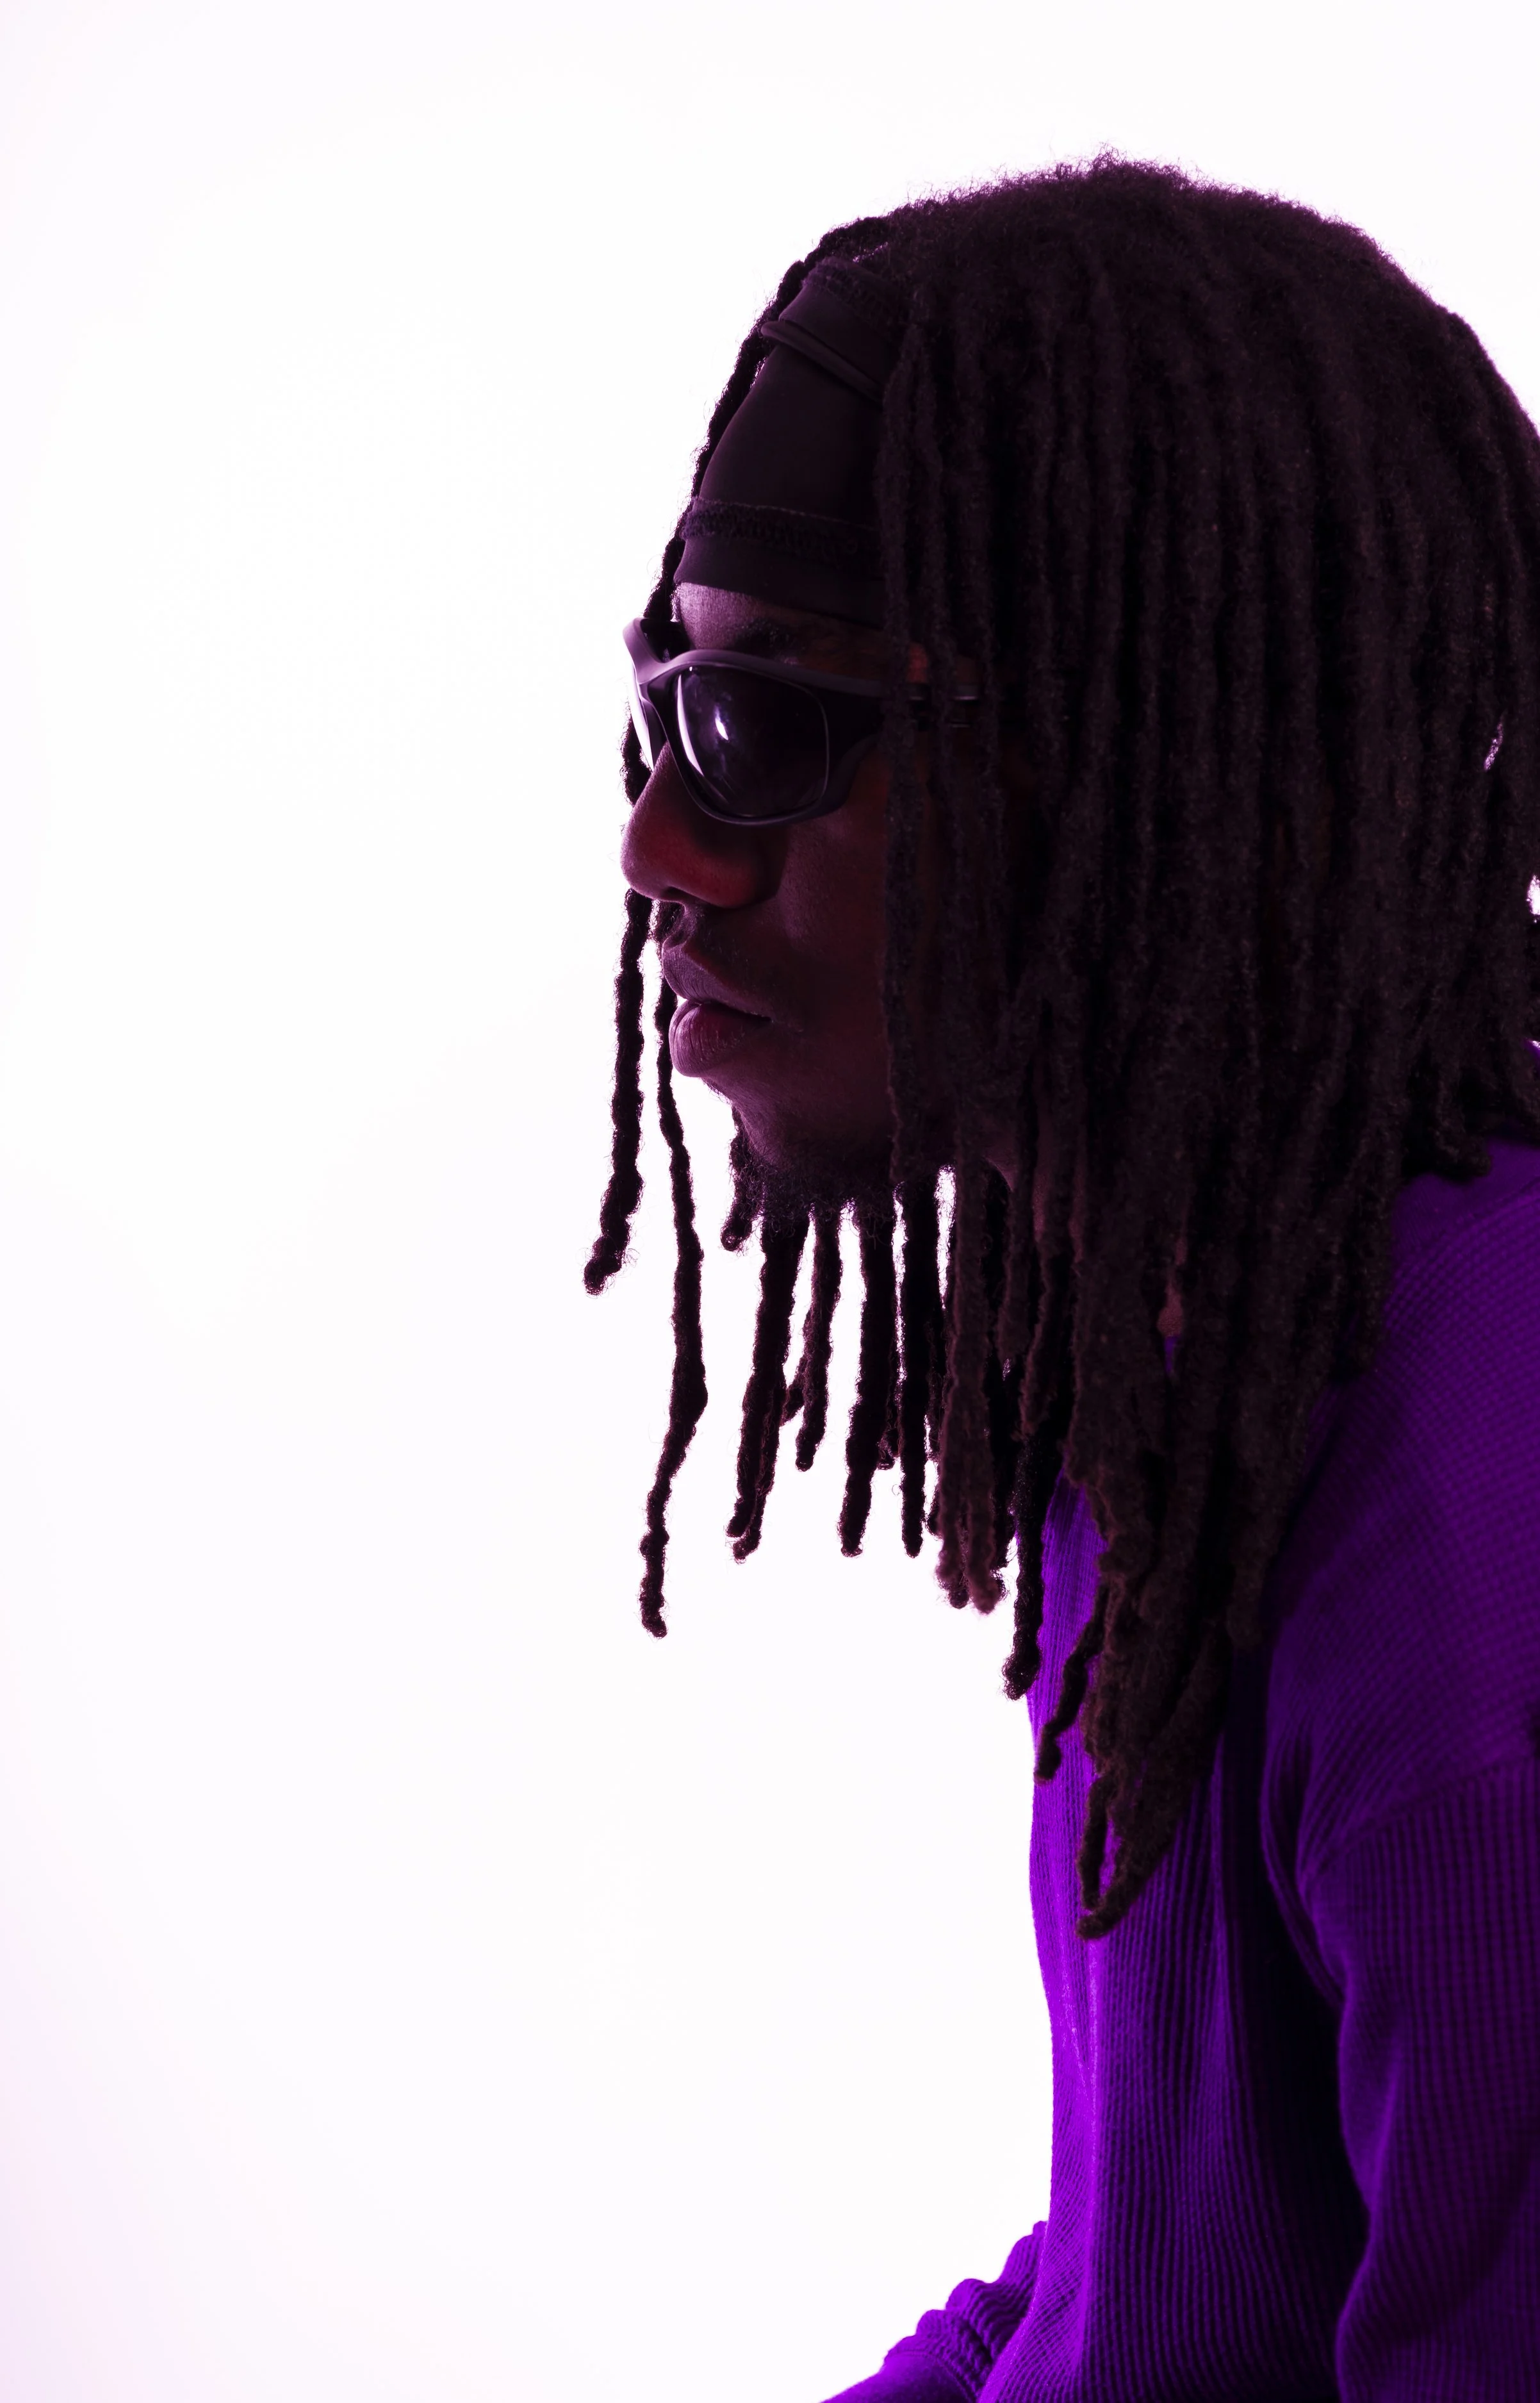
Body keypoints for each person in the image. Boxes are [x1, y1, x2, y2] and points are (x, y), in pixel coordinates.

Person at [585, 158, 1540, 2399]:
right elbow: (1168, 2267)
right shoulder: (1201, 1337)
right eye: (668, 705)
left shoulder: (1469, 1568)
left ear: (1154, 763)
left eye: (771, 730)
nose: (658, 846)